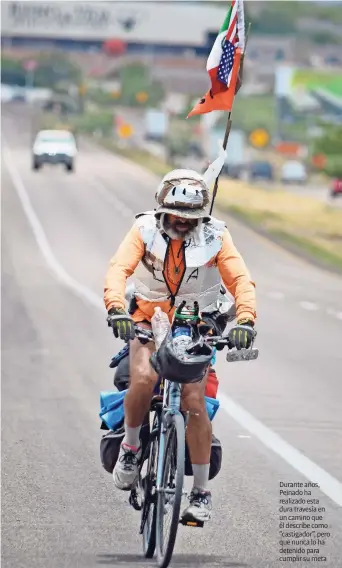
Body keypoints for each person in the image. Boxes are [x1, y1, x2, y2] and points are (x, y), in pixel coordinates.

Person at [104, 168, 256, 522]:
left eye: (191, 217)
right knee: (142, 378)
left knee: (194, 401)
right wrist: (115, 308)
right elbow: (117, 270)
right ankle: (129, 449)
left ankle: (201, 493)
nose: (182, 222)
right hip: (145, 320)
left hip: (196, 326)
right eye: (176, 215)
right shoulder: (143, 230)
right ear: (162, 210)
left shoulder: (217, 237)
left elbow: (241, 280)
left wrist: (246, 319)